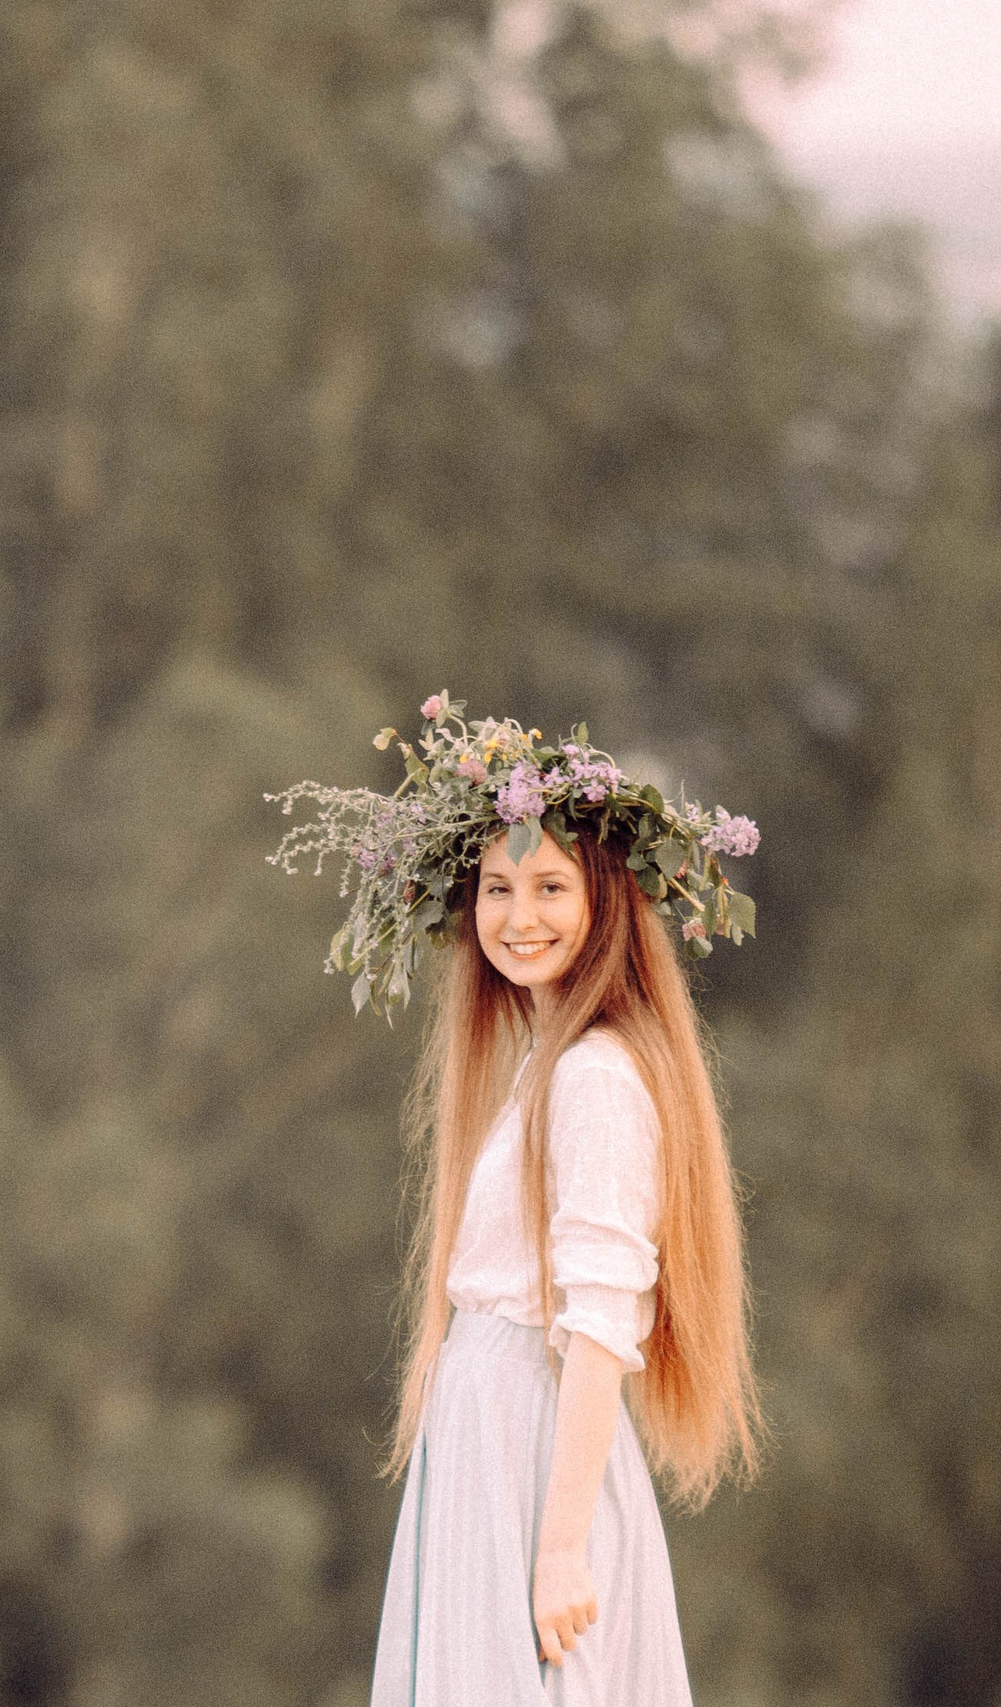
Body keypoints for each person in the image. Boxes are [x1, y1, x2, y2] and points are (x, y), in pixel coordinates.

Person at [265, 698, 762, 1706]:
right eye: (496, 887)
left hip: (535, 1456)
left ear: (606, 905)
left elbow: (598, 1324)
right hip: (489, 1446)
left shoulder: (595, 1078)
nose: (518, 915)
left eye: (548, 886)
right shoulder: (546, 1063)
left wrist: (560, 1550)